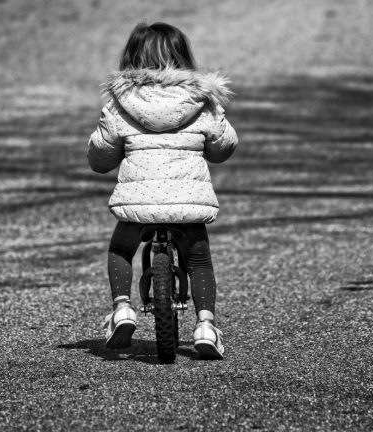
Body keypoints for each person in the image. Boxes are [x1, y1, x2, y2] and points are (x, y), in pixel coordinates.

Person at [87, 22, 238, 359]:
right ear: (183, 58)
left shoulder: (121, 104)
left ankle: (122, 309)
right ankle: (206, 325)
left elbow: (101, 158)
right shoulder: (202, 101)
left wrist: (103, 150)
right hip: (186, 204)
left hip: (139, 204)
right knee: (198, 260)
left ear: (131, 58)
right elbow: (224, 147)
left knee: (121, 249)